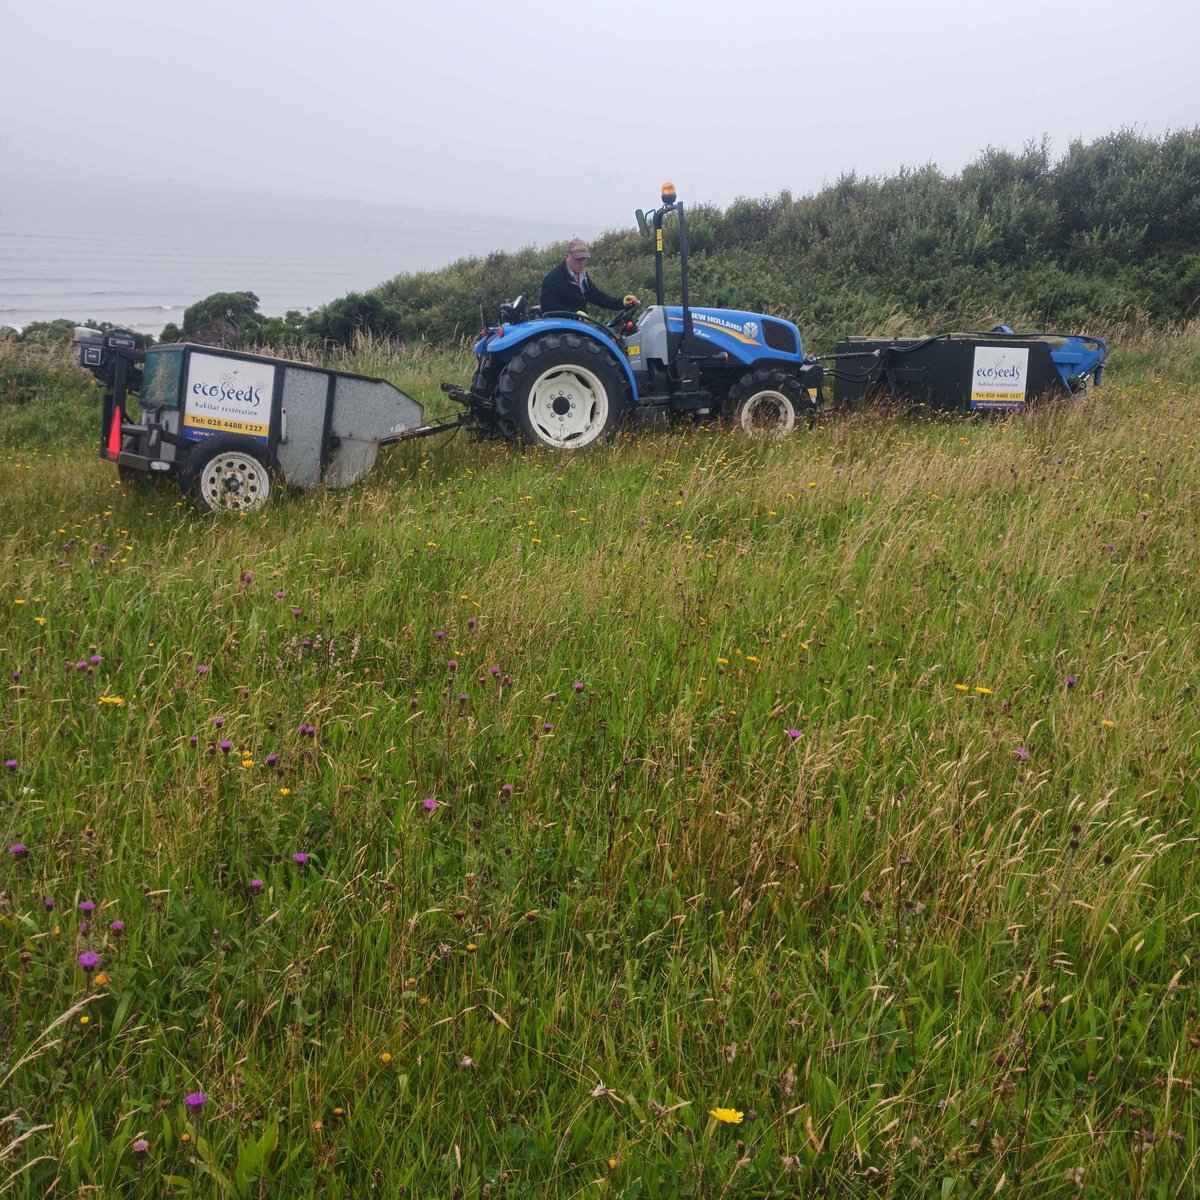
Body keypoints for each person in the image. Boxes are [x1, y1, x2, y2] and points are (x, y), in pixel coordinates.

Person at [540, 238, 638, 317]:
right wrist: (574, 314)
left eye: (584, 258)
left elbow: (597, 296)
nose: (581, 262)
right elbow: (548, 306)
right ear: (567, 256)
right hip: (565, 327)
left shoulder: (582, 275)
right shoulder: (554, 278)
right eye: (578, 259)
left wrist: (621, 303)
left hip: (579, 323)